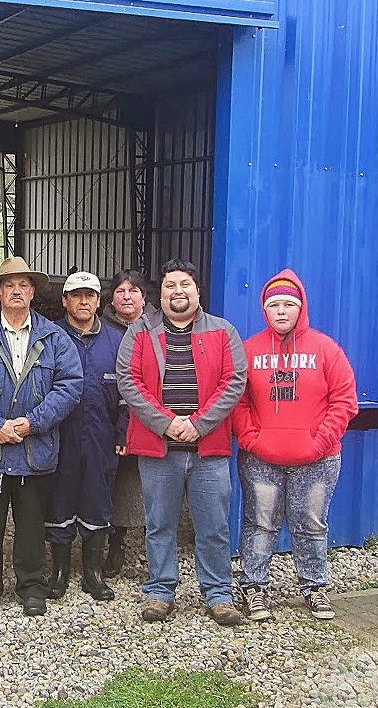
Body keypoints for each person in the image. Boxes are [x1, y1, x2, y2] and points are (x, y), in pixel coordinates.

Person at [116, 259, 247, 626]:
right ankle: (160, 592)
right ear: (161, 292)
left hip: (209, 449)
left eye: (185, 284)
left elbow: (234, 381)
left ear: (197, 291)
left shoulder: (223, 332)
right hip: (160, 449)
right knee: (159, 524)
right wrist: (167, 423)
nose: (178, 291)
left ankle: (219, 594)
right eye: (170, 284)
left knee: (214, 526)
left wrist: (200, 424)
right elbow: (128, 381)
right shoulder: (140, 332)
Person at [0, 257, 83, 617]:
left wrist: (32, 422)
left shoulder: (54, 338)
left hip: (34, 449)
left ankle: (32, 587)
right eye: (9, 285)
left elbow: (70, 385)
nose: (17, 291)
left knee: (30, 524)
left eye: (23, 285)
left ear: (32, 293)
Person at [233, 270, 358, 621]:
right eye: (274, 304)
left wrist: (321, 441)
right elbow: (237, 402)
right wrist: (252, 439)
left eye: (289, 304)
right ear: (264, 310)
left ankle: (315, 588)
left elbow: (345, 401)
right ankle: (254, 587)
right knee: (259, 523)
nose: (282, 311)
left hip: (317, 459)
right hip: (261, 459)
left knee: (311, 523)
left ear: (301, 307)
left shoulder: (325, 349)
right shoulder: (249, 350)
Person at [46, 271, 125, 602]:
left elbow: (128, 393)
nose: (83, 301)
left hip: (101, 436)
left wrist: (122, 431)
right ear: (65, 300)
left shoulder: (116, 341)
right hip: (59, 435)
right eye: (76, 295)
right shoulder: (49, 336)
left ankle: (92, 574)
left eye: (89, 296)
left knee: (97, 499)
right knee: (58, 499)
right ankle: (59, 572)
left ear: (98, 301)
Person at [101, 271, 153, 578]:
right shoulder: (103, 329)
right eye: (120, 290)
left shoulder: (158, 328)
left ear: (144, 297)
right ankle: (115, 543)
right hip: (112, 419)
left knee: (152, 483)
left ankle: (155, 547)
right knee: (117, 483)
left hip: (152, 417)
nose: (127, 296)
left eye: (133, 290)